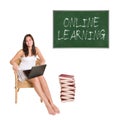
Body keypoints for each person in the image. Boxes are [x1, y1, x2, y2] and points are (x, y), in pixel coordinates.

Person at [10, 34, 60, 115]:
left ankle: (52, 103)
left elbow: (43, 59)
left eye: (30, 40)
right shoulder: (22, 51)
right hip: (23, 72)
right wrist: (14, 64)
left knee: (41, 76)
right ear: (25, 42)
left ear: (32, 41)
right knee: (36, 79)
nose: (29, 42)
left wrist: (41, 63)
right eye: (27, 41)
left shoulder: (36, 49)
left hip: (32, 71)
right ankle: (47, 105)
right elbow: (11, 61)